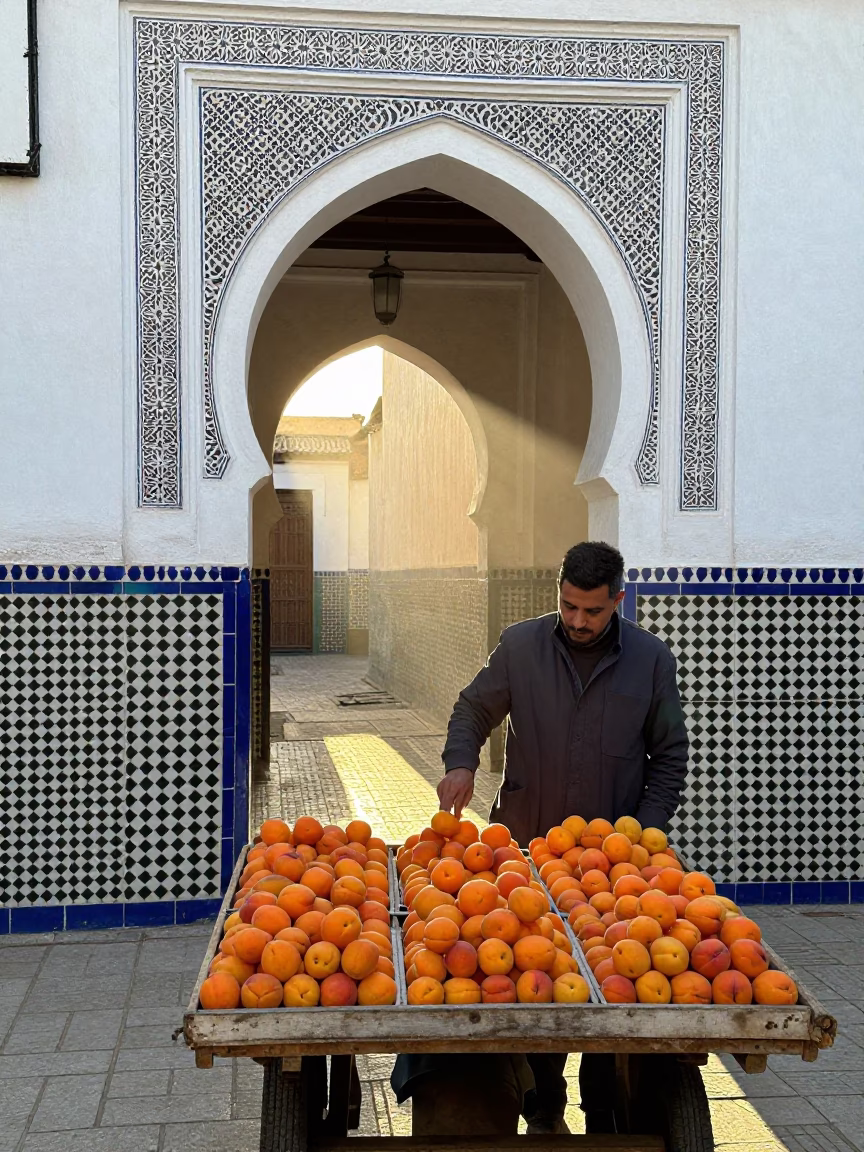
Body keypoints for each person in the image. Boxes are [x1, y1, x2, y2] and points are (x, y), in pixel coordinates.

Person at [390, 540, 689, 1135]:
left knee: (614, 987)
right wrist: (460, 762)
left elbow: (670, 756)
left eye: (593, 612)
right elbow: (473, 709)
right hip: (523, 852)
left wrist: (646, 835)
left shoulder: (651, 660)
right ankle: (543, 1104)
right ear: (559, 594)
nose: (578, 622)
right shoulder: (521, 645)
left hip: (611, 866)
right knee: (537, 979)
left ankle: (604, 1110)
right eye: (569, 606)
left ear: (618, 602)